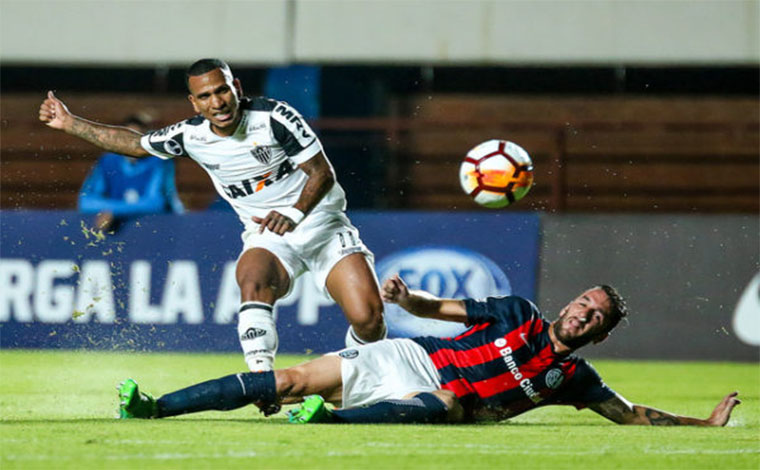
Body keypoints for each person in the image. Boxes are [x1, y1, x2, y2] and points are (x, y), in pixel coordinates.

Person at [39, 58, 386, 373]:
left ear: (236, 87)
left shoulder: (275, 117)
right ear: (194, 102)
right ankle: (262, 376)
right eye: (205, 96)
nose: (217, 103)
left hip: (320, 224)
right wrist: (70, 122)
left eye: (222, 91)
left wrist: (294, 213)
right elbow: (134, 144)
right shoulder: (191, 136)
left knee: (368, 319)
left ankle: (356, 375)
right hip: (268, 234)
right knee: (251, 278)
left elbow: (322, 173)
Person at [117, 275, 740, 426]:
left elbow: (631, 415)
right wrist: (405, 295)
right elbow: (435, 311)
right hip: (410, 359)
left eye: (595, 316)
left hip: (448, 399)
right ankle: (153, 409)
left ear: (598, 334)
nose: (582, 312)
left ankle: (331, 423)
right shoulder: (517, 313)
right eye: (583, 302)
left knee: (443, 401)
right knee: (287, 381)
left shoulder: (574, 378)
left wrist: (704, 425)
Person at [78, 113, 184, 231]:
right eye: (126, 139)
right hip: (124, 231)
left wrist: (113, 211)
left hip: (159, 227)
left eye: (136, 139)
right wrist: (120, 210)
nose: (130, 145)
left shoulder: (159, 160)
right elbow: (85, 202)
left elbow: (156, 204)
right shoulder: (108, 160)